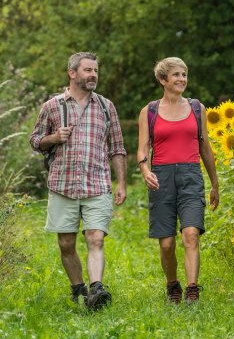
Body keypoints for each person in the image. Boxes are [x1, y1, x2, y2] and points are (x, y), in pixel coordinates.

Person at [30, 52, 127, 310]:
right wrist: (53, 138)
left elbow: (117, 148)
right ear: (72, 73)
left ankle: (97, 289)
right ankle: (78, 289)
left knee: (96, 239)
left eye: (95, 70)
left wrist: (121, 183)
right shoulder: (52, 106)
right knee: (66, 243)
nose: (93, 74)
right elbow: (35, 140)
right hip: (62, 184)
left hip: (97, 185)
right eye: (87, 70)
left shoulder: (106, 107)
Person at [137, 57, 219, 304]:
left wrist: (215, 183)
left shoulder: (197, 108)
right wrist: (145, 171)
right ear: (163, 80)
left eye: (184, 74)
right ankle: (172, 284)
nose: (182, 79)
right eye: (176, 75)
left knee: (191, 234)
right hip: (161, 178)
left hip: (191, 175)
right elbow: (142, 149)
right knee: (167, 244)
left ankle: (192, 290)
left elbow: (206, 149)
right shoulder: (149, 111)